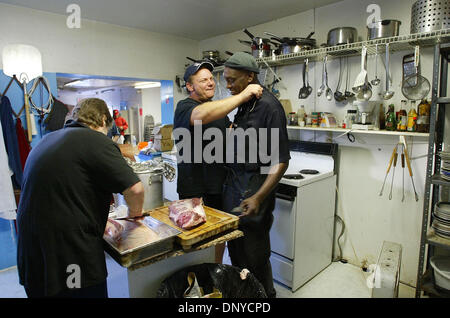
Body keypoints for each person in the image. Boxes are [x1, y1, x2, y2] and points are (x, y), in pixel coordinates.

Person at [16, 98, 145, 298]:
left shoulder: (46, 141)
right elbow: (135, 189)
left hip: (33, 257)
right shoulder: (96, 140)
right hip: (69, 258)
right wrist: (135, 216)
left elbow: (66, 190)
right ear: (103, 119)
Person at [174, 61, 263, 263]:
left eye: (211, 79)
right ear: (190, 86)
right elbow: (200, 116)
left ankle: (215, 274)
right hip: (195, 191)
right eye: (203, 80)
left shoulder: (217, 112)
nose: (210, 83)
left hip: (219, 187)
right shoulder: (186, 107)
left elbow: (231, 134)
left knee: (218, 238)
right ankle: (197, 282)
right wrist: (243, 95)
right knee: (196, 243)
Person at [222, 52, 290, 298]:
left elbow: (281, 161)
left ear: (250, 76)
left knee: (255, 256)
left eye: (232, 80)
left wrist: (259, 197)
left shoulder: (269, 107)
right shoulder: (244, 102)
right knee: (236, 252)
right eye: (225, 80)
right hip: (234, 186)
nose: (228, 86)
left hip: (255, 189)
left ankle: (265, 297)